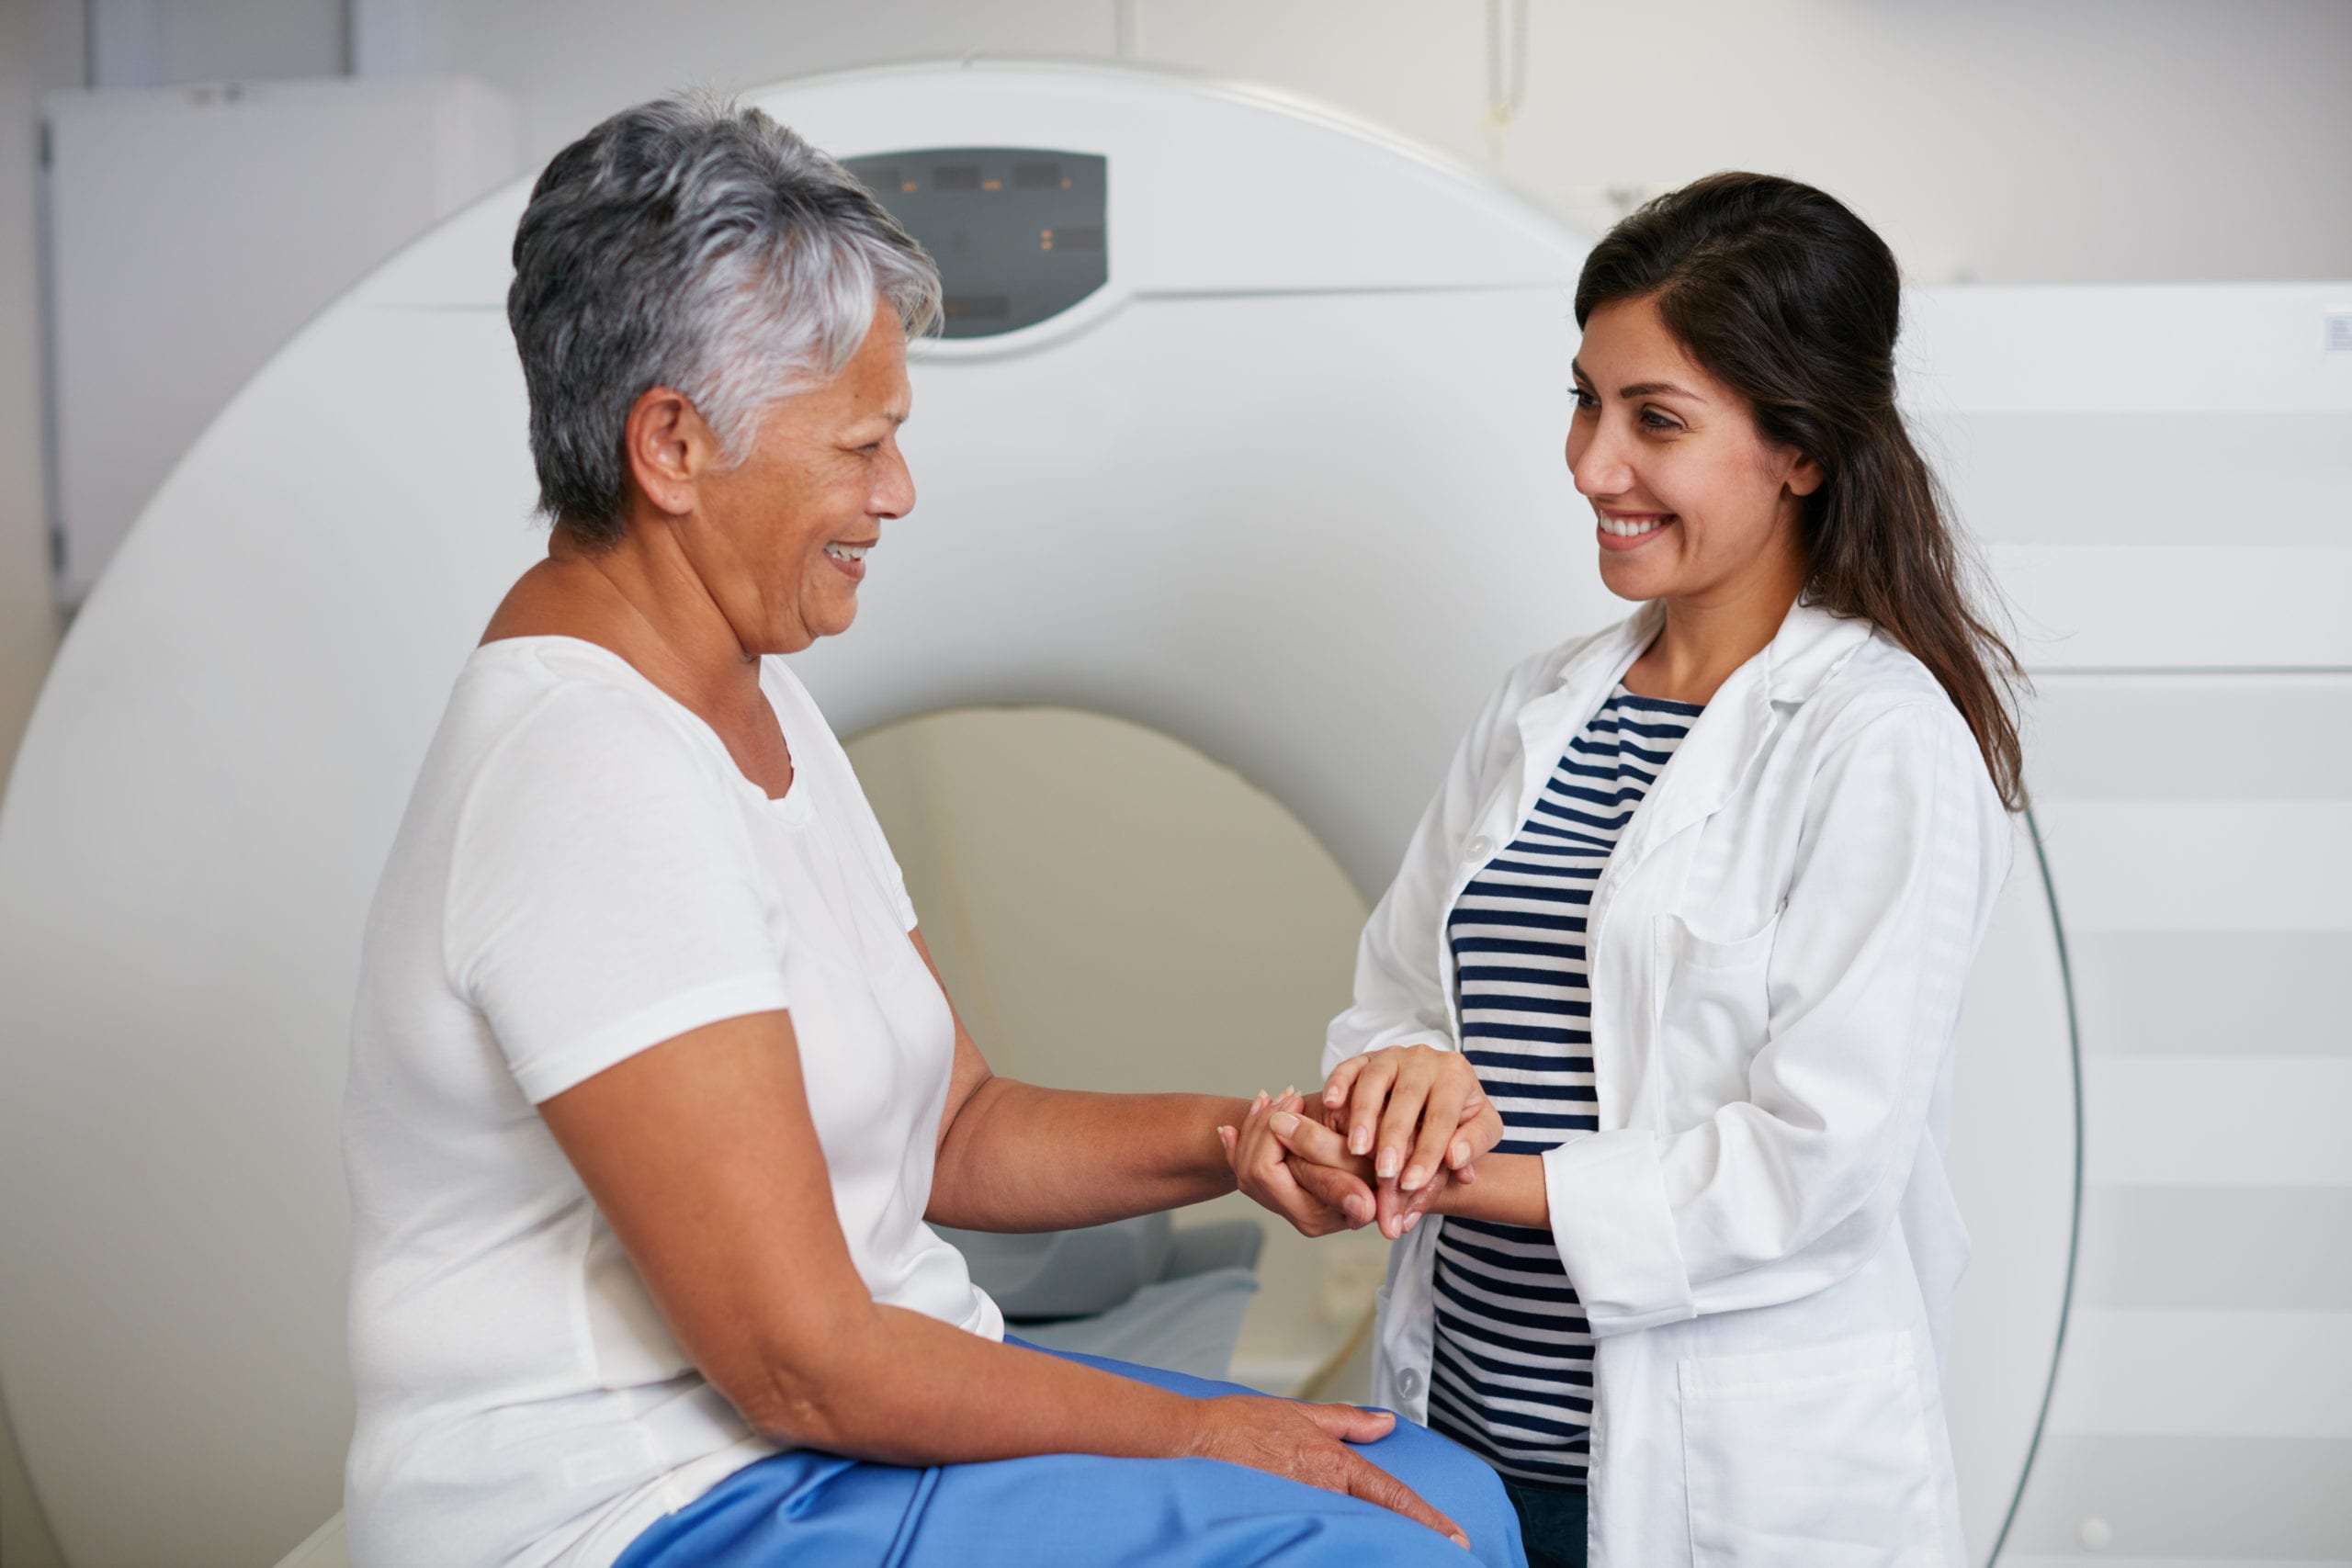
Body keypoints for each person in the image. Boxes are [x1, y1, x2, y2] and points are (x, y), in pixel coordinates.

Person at [339, 95, 1517, 1568]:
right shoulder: (588, 773)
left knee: (1445, 1496)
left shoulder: (749, 704)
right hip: (652, 1504)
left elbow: (955, 1130)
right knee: (1383, 1548)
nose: (895, 493)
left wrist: (1241, 1138)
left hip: (817, 1447)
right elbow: (800, 1359)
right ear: (672, 446)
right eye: (859, 446)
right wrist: (1199, 1432)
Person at [1226, 172, 2025, 1568]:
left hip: (1718, 1483)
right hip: (1463, 1445)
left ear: (1803, 450)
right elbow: (1398, 1000)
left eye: (1654, 419)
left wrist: (1472, 1180)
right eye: (1587, 401)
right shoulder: (1540, 706)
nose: (1594, 463)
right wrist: (1402, 1081)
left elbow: (1813, 1168)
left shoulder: (1879, 741)